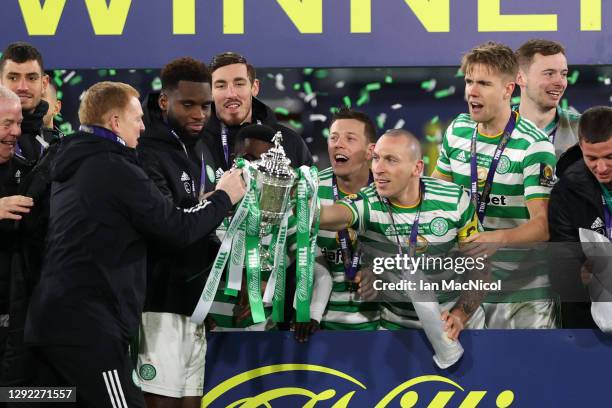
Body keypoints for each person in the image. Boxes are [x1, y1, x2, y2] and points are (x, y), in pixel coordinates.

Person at [24, 81, 245, 408]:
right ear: (115, 122)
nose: (143, 125)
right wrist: (226, 195)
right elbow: (177, 228)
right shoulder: (116, 167)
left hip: (51, 321)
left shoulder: (74, 159)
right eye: (137, 117)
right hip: (88, 329)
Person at [432, 42, 557, 329]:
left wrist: (495, 239)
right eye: (469, 81)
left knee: (525, 373)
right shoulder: (457, 131)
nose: (471, 92)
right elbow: (435, 197)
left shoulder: (533, 145)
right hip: (468, 286)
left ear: (508, 90)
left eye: (484, 83)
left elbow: (543, 226)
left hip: (522, 294)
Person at [320, 129, 485, 339]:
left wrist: (461, 315)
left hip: (457, 325)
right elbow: (333, 214)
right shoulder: (367, 201)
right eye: (377, 158)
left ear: (417, 168)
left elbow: (481, 269)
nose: (378, 169)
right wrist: (304, 207)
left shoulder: (453, 201)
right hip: (396, 328)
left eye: (391, 160)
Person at [135, 57, 217, 408]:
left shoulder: (200, 150)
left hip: (194, 306)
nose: (199, 113)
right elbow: (169, 228)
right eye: (189, 105)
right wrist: (220, 200)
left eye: (205, 106)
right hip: (159, 306)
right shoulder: (146, 153)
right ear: (165, 101)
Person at [295, 108, 378, 342]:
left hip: (381, 329)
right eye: (333, 138)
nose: (338, 144)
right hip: (318, 329)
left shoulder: (387, 191)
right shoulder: (309, 190)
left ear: (370, 150)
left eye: (350, 139)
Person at [548, 106, 612, 328]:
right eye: (591, 158)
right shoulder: (566, 192)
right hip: (587, 318)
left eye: (610, 157)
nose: (601, 167)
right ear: (581, 147)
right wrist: (579, 276)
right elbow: (561, 274)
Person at [203, 52, 312, 175]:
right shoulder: (195, 142)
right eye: (221, 86)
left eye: (239, 84)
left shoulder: (289, 142)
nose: (231, 94)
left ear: (254, 87)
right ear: (209, 92)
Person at [0, 86, 32, 370]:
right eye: (7, 124)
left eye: (19, 122)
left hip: (15, 317)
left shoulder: (26, 171)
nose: (16, 132)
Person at [515, 39, 579, 159]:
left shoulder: (583, 129)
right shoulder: (496, 128)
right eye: (549, 74)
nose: (560, 83)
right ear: (520, 78)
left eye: (563, 74)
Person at [0, 42, 49, 163]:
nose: (23, 87)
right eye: (13, 78)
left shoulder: (59, 145)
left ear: (44, 84)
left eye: (31, 78)